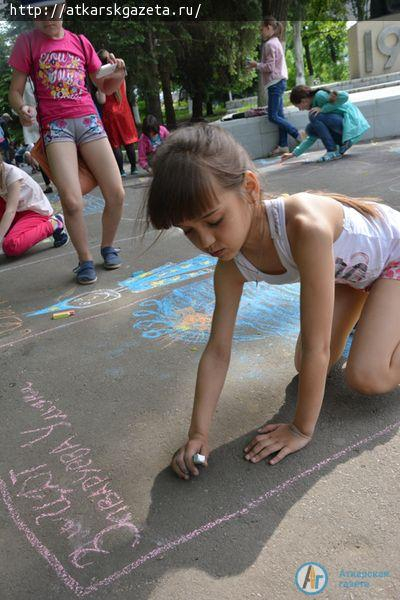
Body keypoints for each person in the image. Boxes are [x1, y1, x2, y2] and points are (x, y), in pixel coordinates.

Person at [145, 124, 400, 479]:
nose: (205, 241)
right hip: (353, 276)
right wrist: (198, 433)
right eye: (189, 230)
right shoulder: (230, 266)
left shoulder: (303, 226)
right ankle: (380, 315)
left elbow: (318, 344)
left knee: (367, 376)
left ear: (249, 188)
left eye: (214, 221)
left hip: (392, 258)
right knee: (307, 366)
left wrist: (300, 429)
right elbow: (218, 350)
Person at [8, 0, 126, 284]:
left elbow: (103, 85)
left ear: (62, 9)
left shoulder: (80, 41)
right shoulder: (27, 43)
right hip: (56, 127)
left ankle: (108, 246)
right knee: (72, 203)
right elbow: (15, 91)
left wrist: (118, 72)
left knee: (117, 194)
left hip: (88, 120)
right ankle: (84, 259)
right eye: (41, 13)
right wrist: (21, 108)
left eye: (53, 11)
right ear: (33, 16)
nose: (49, 18)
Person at [247, 17, 302, 157]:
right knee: (279, 115)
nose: (261, 32)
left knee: (272, 116)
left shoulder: (269, 44)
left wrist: (255, 65)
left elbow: (270, 67)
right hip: (279, 82)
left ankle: (297, 133)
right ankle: (283, 145)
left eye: (262, 29)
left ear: (269, 27)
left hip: (275, 83)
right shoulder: (275, 42)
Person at [0, 154, 68, 258]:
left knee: (11, 245)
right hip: (19, 211)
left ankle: (55, 223)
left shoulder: (12, 174)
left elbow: (10, 211)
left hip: (35, 211)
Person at [282, 85, 370, 163]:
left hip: (352, 125)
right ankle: (340, 146)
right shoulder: (314, 105)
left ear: (304, 100)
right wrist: (294, 153)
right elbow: (312, 137)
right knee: (310, 129)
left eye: (298, 106)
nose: (300, 109)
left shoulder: (320, 95)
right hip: (343, 126)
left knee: (313, 115)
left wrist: (323, 109)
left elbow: (345, 96)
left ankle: (331, 151)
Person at [96, 49, 139, 177]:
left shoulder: (101, 77)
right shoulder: (120, 71)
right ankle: (134, 167)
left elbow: (102, 100)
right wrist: (112, 57)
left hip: (110, 114)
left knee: (115, 144)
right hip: (124, 111)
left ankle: (121, 171)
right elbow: (124, 90)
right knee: (128, 141)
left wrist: (97, 92)